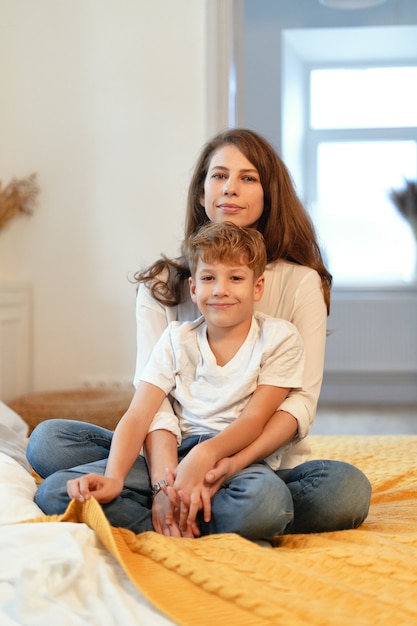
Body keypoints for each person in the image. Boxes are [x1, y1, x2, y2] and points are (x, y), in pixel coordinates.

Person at [27, 128, 371, 540]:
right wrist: (165, 482)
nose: (230, 188)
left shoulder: (298, 287)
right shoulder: (164, 289)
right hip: (168, 449)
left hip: (253, 457)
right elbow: (149, 405)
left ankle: (197, 508)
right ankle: (202, 509)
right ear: (201, 193)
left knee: (344, 491)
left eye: (248, 178)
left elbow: (296, 407)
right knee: (46, 442)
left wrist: (218, 460)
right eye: (218, 176)